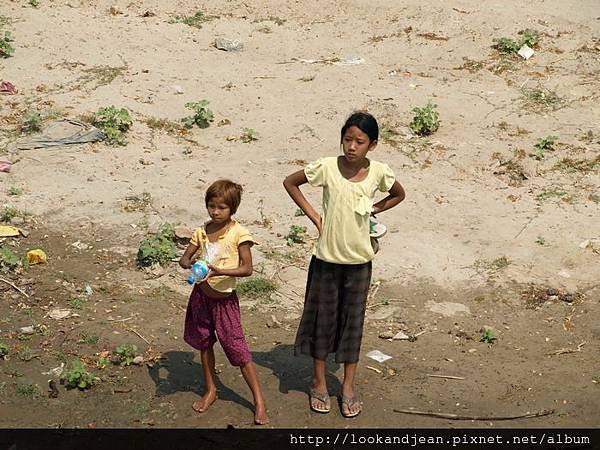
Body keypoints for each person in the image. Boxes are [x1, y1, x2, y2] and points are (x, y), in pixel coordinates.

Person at [283, 112, 405, 418]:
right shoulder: (327, 167)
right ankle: (319, 383)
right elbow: (291, 182)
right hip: (326, 259)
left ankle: (348, 387)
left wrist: (375, 209)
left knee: (353, 325)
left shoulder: (378, 173)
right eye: (347, 139)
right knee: (322, 322)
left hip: (359, 262)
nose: (352, 147)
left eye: (359, 142)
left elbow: (398, 194)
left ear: (372, 145)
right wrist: (315, 216)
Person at [179, 179, 269, 425]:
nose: (215, 212)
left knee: (238, 351)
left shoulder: (239, 234)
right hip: (201, 297)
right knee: (204, 343)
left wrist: (219, 271)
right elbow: (184, 259)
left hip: (225, 303)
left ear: (233, 209)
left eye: (221, 207)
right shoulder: (202, 231)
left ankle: (259, 401)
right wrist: (192, 264)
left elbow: (247, 269)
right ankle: (211, 389)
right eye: (211, 206)